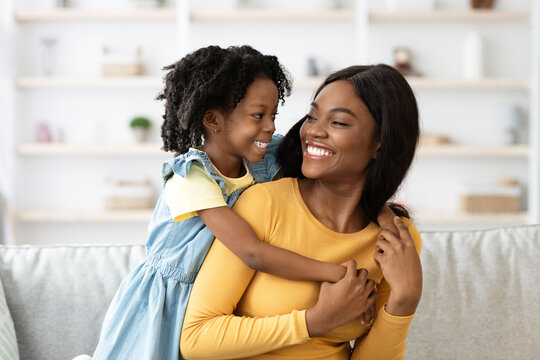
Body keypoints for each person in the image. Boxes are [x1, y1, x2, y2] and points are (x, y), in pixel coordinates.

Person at [91, 46, 390, 360]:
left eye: (274, 114)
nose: (271, 126)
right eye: (258, 115)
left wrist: (380, 212)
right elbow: (251, 251)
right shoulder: (192, 177)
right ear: (213, 119)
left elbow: (345, 171)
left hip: (212, 293)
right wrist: (335, 274)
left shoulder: (263, 156)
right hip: (168, 299)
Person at [180, 64, 423, 359]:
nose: (313, 131)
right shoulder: (264, 204)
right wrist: (314, 322)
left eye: (339, 123)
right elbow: (196, 340)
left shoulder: (396, 240)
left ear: (380, 143)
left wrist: (405, 301)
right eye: (312, 116)